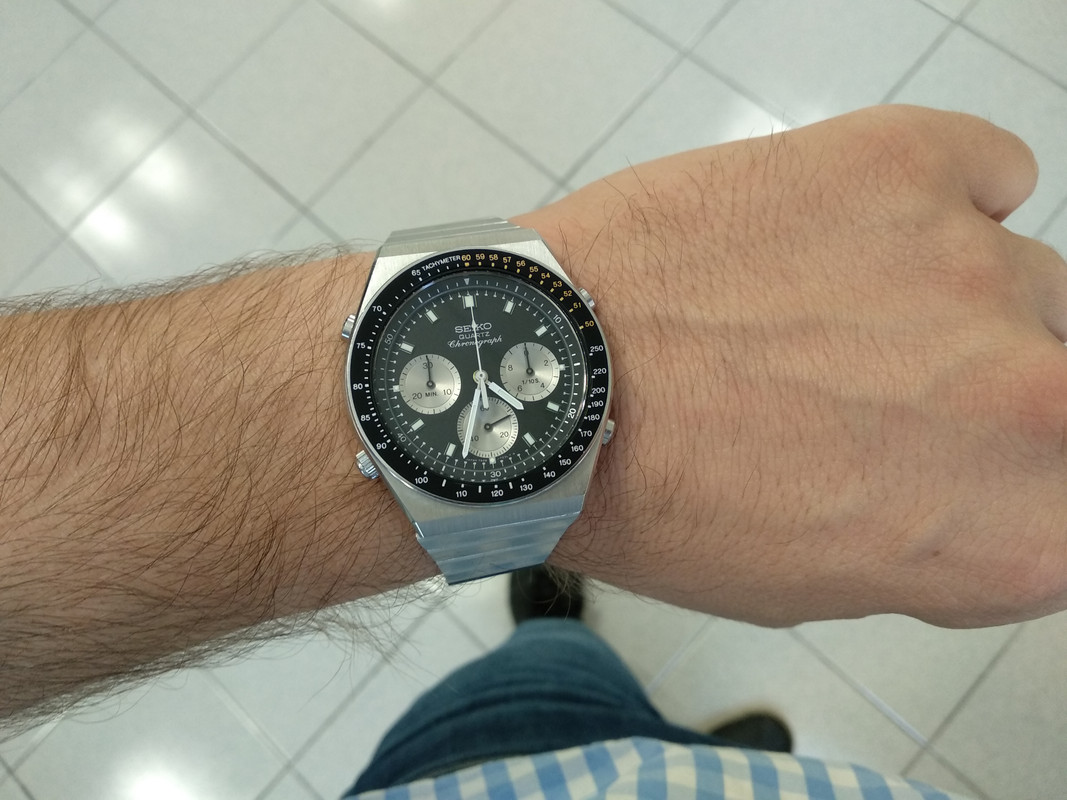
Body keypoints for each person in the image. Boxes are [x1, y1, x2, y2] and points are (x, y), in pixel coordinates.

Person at [0, 104, 1064, 797]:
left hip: (454, 769)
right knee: (569, 668)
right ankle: (676, 736)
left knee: (539, 672)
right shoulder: (391, 394)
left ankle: (602, 683)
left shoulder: (466, 344)